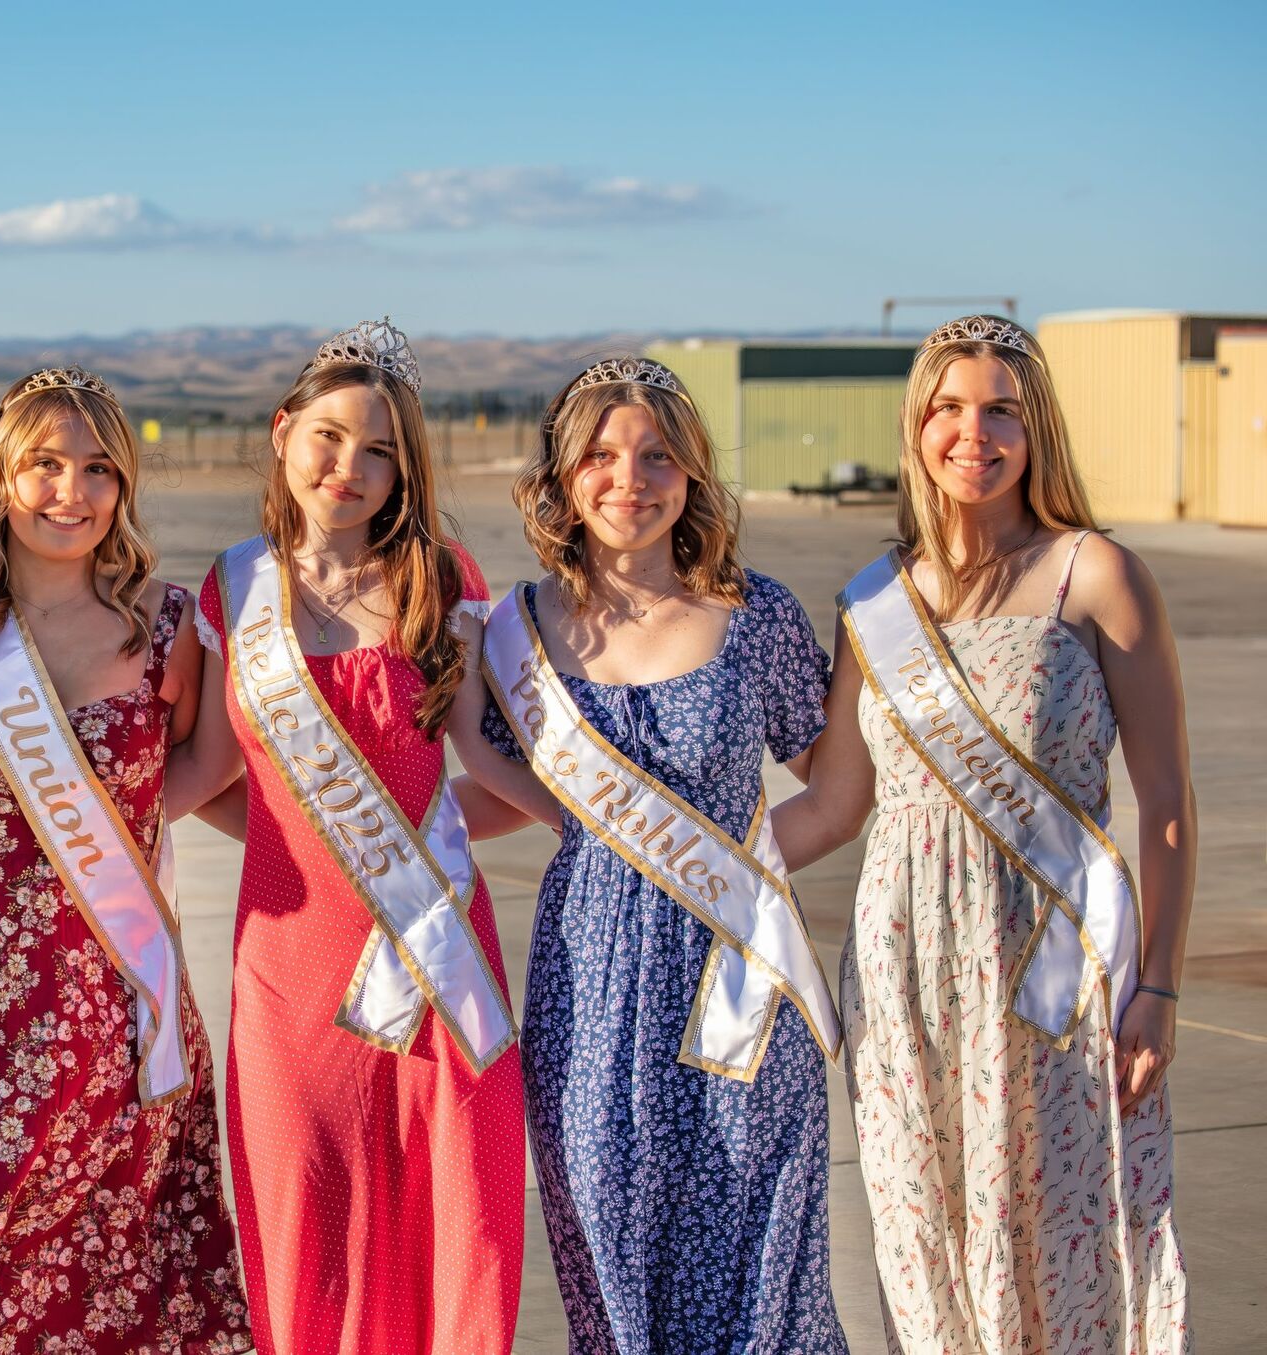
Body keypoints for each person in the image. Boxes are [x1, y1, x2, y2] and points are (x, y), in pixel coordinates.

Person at [772, 315, 1194, 1352]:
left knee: (1060, 1238)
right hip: (905, 969)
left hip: (1054, 971)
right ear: (916, 427)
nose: (974, 433)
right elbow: (835, 803)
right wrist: (684, 871)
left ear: (1034, 425)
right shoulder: (877, 602)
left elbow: (1168, 799)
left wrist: (1159, 987)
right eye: (948, 408)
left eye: (1000, 409)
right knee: (925, 1241)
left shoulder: (1096, 574)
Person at [451, 356, 846, 1352]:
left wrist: (742, 885)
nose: (629, 478)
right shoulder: (515, 632)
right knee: (611, 1262)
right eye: (601, 454)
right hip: (587, 990)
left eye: (657, 455)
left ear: (693, 471)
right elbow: (522, 798)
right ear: (563, 474)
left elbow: (839, 791)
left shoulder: (754, 614)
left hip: (738, 982)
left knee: (757, 1274)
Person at [174, 319, 526, 1353]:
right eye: (329, 436)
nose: (349, 467)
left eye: (379, 449)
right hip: (288, 973)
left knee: (454, 1219)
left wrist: (548, 821)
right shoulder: (234, 587)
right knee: (305, 1226)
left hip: (432, 953)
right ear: (283, 431)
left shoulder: (440, 578)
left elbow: (491, 771)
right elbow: (203, 774)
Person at [0, 365, 250, 1352]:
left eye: (98, 468)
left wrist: (115, 829)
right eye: (45, 463)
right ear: (0, 473)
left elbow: (203, 763)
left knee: (128, 1291)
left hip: (121, 1007)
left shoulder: (167, 626)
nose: (71, 491)